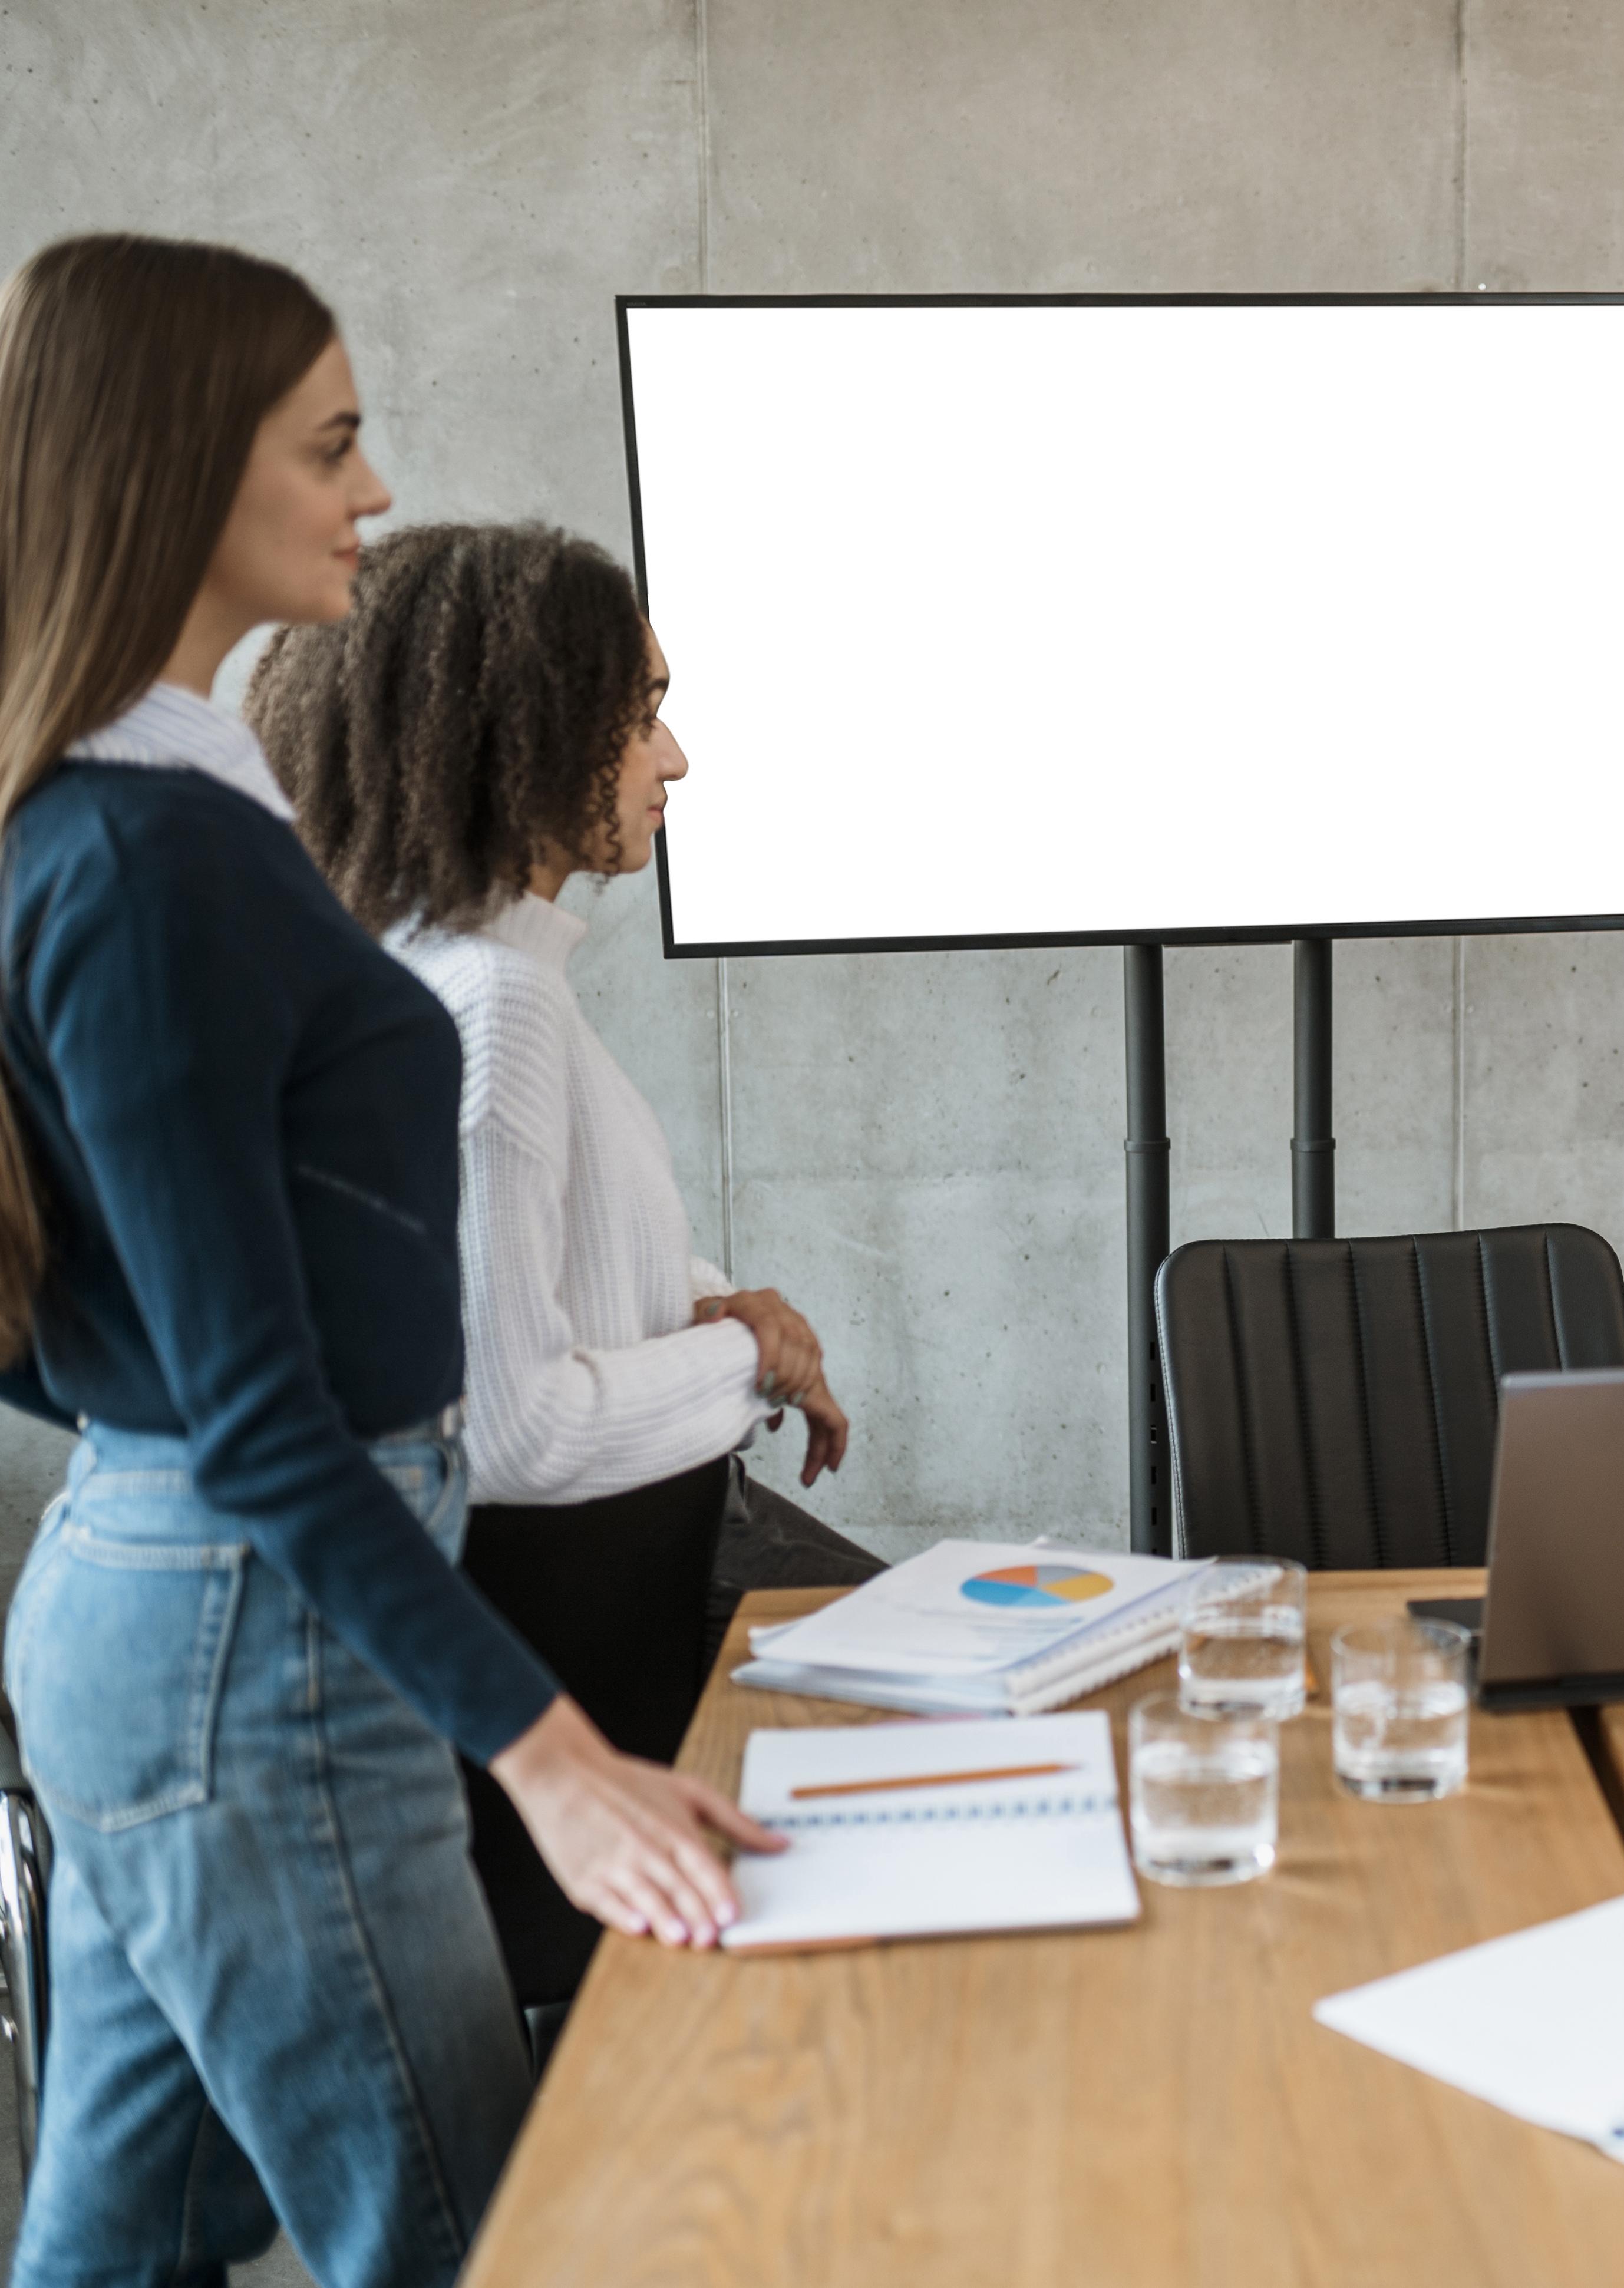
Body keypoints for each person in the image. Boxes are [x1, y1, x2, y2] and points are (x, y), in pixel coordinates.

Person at [0, 234, 773, 2288]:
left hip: (177, 1612)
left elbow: (100, 1328)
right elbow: (263, 1417)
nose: (376, 490)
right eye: (331, 444)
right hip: (250, 1649)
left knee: (126, 2240)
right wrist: (555, 1759)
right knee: (472, 2233)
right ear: (175, 467)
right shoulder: (142, 856)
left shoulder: (151, 806)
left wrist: (145, 1435)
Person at [250, 520, 866, 2015]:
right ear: (525, 735)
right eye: (642, 714)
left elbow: (546, 1275)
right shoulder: (489, 1006)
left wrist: (713, 1304)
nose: (676, 759)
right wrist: (746, 1353)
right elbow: (510, 1424)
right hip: (577, 1644)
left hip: (601, 1613)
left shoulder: (476, 973)